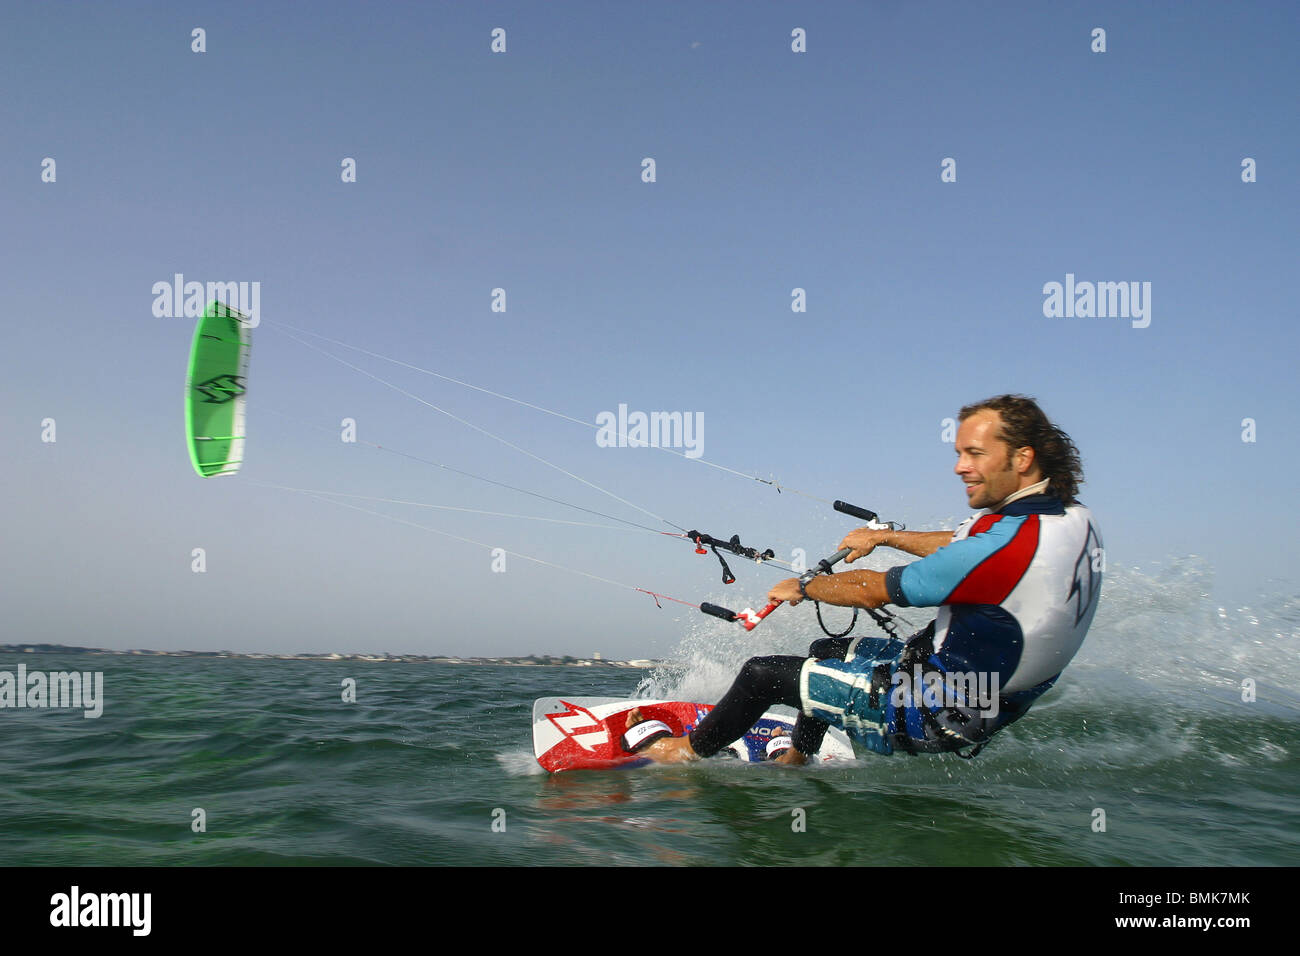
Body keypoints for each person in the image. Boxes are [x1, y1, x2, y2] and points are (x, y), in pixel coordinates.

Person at [626, 394, 1104, 764]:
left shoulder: (1000, 549)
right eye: (960, 452)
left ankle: (685, 753)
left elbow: (875, 589)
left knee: (762, 674)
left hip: (936, 711)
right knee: (825, 651)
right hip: (984, 693)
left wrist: (804, 587)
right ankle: (798, 756)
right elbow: (960, 544)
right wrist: (888, 538)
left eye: (975, 454)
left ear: (1022, 458)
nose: (960, 466)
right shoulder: (1067, 520)